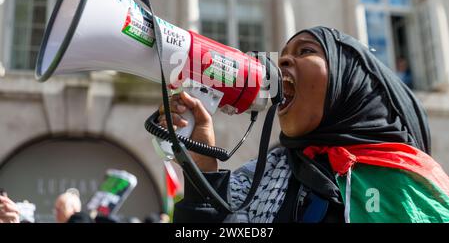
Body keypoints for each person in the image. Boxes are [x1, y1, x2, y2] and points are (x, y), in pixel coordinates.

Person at [158, 26, 449, 223]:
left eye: (305, 51)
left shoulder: (404, 182)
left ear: (349, 83)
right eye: (284, 52)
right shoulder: (269, 172)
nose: (283, 59)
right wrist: (202, 166)